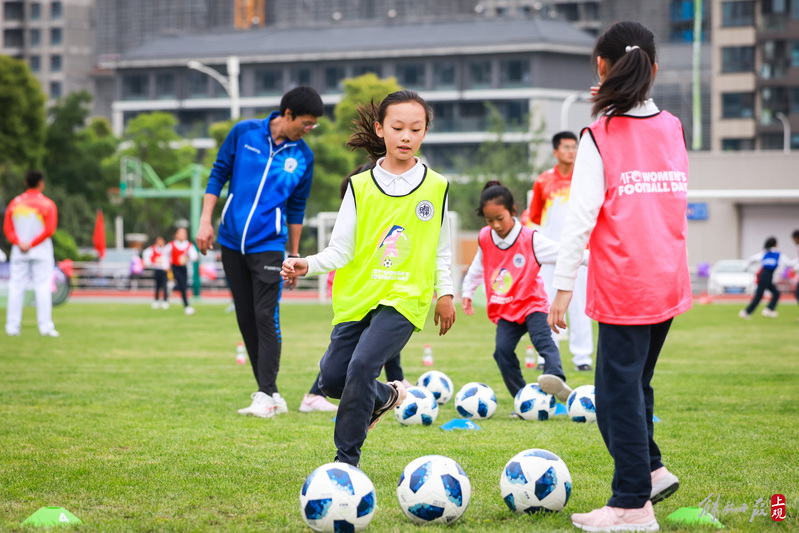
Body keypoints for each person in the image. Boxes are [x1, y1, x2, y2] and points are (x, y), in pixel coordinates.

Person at [548, 22, 690, 531]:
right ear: (654, 68)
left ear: (601, 67)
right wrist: (616, 100)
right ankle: (650, 471)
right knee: (635, 385)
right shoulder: (672, 125)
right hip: (667, 278)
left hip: (627, 285)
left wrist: (563, 288)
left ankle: (631, 504)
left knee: (613, 397)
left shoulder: (600, 135)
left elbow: (580, 220)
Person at [281, 90, 456, 467]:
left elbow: (440, 248)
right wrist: (306, 264)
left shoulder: (436, 186)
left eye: (416, 128)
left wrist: (446, 293)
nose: (406, 136)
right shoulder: (359, 187)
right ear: (380, 130)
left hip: (406, 297)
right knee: (331, 381)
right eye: (398, 128)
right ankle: (385, 396)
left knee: (361, 367)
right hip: (358, 296)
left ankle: (346, 463)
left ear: (425, 132)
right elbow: (340, 250)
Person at [196, 86, 325, 419]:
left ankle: (266, 393)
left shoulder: (304, 157)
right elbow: (218, 175)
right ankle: (270, 393)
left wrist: (294, 256)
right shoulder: (244, 132)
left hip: (269, 245)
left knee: (266, 315)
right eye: (306, 123)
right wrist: (204, 222)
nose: (308, 130)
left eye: (313, 125)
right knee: (245, 316)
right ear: (287, 114)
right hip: (230, 240)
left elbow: (297, 209)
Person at [462, 181, 588, 407]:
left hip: (532, 304)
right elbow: (477, 268)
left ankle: (555, 376)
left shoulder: (531, 239)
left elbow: (565, 254)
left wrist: (595, 258)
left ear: (513, 212)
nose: (496, 225)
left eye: (500, 218)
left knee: (543, 341)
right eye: (489, 221)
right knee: (501, 352)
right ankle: (523, 397)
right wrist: (467, 292)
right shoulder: (484, 237)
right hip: (505, 309)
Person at [300, 162, 413, 413]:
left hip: (378, 286)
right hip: (354, 288)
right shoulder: (360, 210)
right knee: (354, 350)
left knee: (378, 337)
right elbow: (342, 253)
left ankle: (393, 386)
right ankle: (315, 393)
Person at [529, 131, 594, 372]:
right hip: (549, 254)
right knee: (545, 305)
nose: (571, 151)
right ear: (556, 151)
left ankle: (582, 357)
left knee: (580, 307)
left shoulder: (586, 179)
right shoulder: (542, 181)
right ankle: (547, 355)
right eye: (566, 147)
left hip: (580, 254)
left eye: (574, 147)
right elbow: (535, 218)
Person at [3, 170, 59, 337]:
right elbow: (49, 230)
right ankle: (45, 327)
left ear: (26, 183)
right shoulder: (48, 204)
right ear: (41, 183)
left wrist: (20, 243)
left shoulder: (15, 203)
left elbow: (8, 229)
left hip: (19, 251)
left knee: (16, 287)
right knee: (42, 288)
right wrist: (32, 244)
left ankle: (12, 327)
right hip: (41, 252)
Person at [738, 236, 791, 319]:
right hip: (766, 276)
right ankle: (746, 312)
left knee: (776, 293)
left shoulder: (764, 253)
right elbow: (788, 263)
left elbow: (752, 259)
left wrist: (746, 267)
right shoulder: (778, 254)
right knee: (759, 295)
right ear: (775, 244)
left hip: (764, 275)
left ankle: (769, 310)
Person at [163, 227, 198, 315]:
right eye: (180, 233)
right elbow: (164, 255)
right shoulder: (171, 245)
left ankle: (172, 288)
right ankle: (187, 306)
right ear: (176, 235)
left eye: (184, 233)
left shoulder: (189, 245)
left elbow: (194, 256)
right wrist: (166, 266)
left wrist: (186, 258)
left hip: (184, 268)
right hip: (174, 268)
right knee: (183, 286)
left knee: (184, 286)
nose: (182, 235)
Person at [143, 236, 169, 309]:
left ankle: (165, 301)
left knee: (164, 286)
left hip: (164, 270)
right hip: (157, 269)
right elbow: (146, 256)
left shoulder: (167, 249)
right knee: (157, 286)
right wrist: (151, 262)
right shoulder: (152, 249)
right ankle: (156, 300)